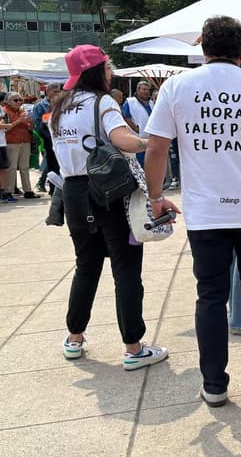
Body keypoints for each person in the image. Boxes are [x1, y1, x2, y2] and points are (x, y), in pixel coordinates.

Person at [143, 15, 241, 407]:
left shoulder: (177, 87)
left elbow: (156, 148)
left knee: (209, 295)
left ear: (203, 48)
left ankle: (214, 385)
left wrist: (156, 196)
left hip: (206, 212)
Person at [49, 45, 168, 368]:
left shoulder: (60, 107)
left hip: (73, 192)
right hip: (108, 191)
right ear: (97, 71)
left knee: (86, 265)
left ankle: (74, 337)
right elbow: (123, 140)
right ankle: (133, 347)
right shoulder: (103, 102)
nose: (111, 72)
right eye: (107, 67)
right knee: (126, 268)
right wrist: (152, 142)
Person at [1, 91, 37, 198]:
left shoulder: (22, 111)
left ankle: (28, 190)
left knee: (25, 167)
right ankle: (9, 191)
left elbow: (29, 126)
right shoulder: (4, 112)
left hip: (25, 141)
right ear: (8, 102)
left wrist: (30, 122)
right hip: (12, 142)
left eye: (20, 100)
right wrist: (19, 120)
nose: (19, 102)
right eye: (15, 100)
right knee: (11, 168)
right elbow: (5, 127)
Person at [32, 82, 61, 193]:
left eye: (59, 92)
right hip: (48, 140)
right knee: (51, 164)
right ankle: (52, 189)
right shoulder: (41, 106)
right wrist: (48, 138)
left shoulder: (60, 104)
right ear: (48, 92)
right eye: (55, 92)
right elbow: (38, 125)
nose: (57, 94)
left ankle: (58, 188)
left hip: (60, 139)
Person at [122, 81, 153, 165]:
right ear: (138, 90)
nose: (146, 92)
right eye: (144, 89)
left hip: (150, 139)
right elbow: (125, 117)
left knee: (150, 164)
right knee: (140, 165)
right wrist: (136, 128)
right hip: (137, 139)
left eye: (148, 90)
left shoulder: (151, 103)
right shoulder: (130, 102)